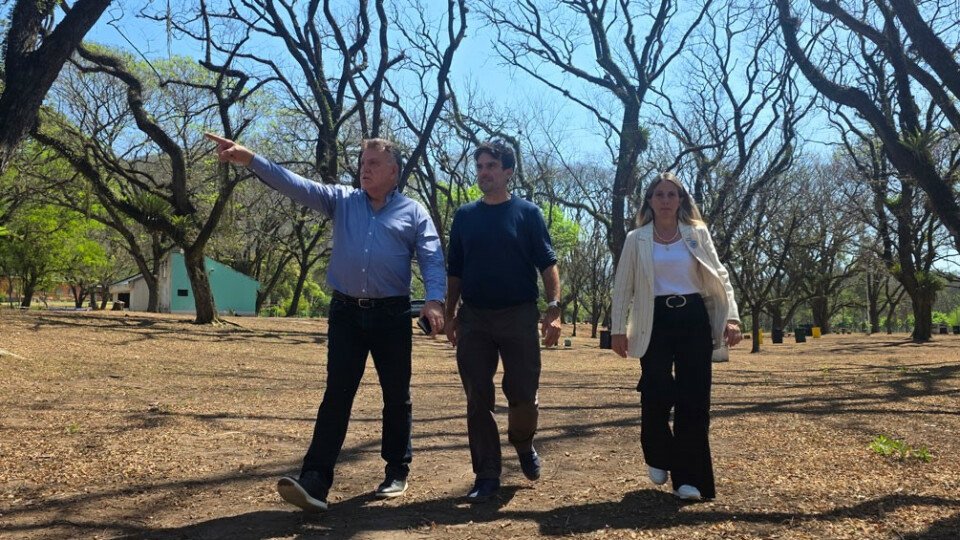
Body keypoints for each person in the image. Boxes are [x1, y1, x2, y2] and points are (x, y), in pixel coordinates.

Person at [205, 133, 446, 512]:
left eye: (373, 164)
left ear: (394, 172)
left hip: (392, 314)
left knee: (396, 395)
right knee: (337, 395)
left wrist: (434, 300)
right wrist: (251, 159)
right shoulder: (342, 200)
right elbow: (296, 185)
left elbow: (432, 258)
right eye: (362, 163)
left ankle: (396, 469)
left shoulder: (413, 212)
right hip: (346, 313)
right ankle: (315, 480)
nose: (364, 169)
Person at [610, 171, 741, 501]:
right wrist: (617, 329)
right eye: (660, 194)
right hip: (653, 319)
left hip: (693, 317)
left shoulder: (696, 233)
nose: (666, 200)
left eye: (672, 194)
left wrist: (732, 318)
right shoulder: (636, 239)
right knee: (656, 388)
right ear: (650, 201)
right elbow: (623, 287)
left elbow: (720, 276)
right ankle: (657, 452)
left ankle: (689, 480)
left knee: (694, 398)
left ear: (681, 200)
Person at [444, 140, 562, 503]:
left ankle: (523, 443)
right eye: (480, 166)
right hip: (475, 318)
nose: (484, 172)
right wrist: (450, 314)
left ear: (508, 172)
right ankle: (487, 475)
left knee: (523, 394)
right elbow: (455, 270)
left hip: (519, 315)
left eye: (491, 166)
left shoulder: (527, 213)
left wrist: (554, 308)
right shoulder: (465, 216)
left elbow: (547, 264)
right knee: (477, 398)